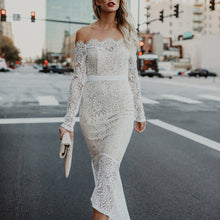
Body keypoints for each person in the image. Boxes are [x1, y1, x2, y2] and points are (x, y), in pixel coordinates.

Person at [59, 0, 147, 219]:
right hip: (93, 113)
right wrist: (68, 123)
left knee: (107, 169)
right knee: (104, 174)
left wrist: (140, 111)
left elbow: (132, 76)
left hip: (122, 110)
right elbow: (78, 79)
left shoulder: (128, 33)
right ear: (97, 1)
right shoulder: (83, 34)